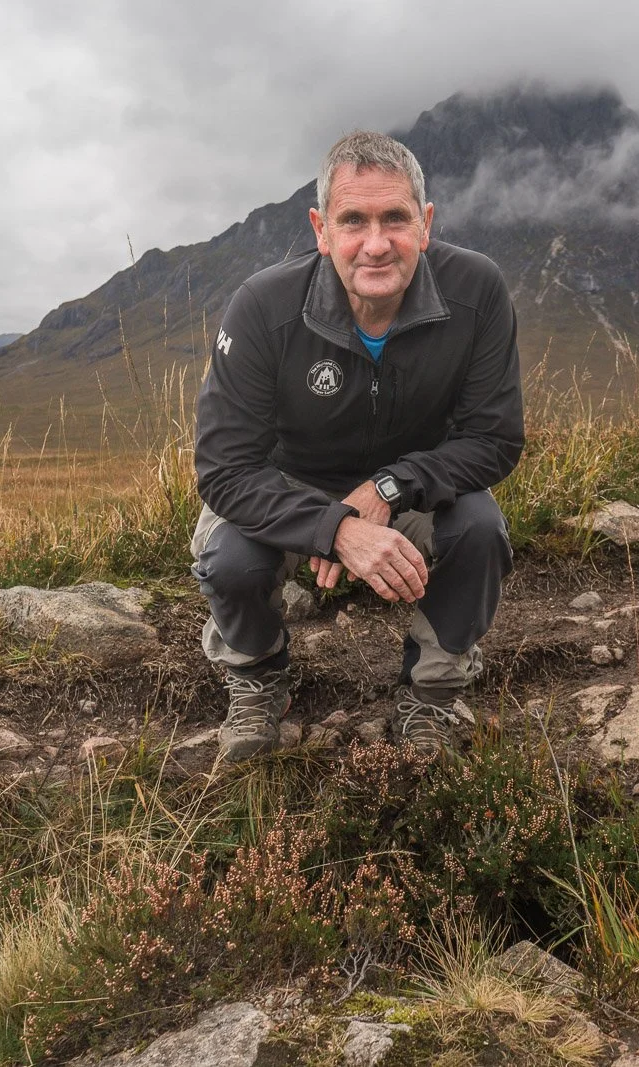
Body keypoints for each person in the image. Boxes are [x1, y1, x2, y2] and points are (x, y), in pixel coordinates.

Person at [190, 130, 524, 762]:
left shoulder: (477, 291)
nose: (376, 243)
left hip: (413, 485)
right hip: (289, 488)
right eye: (354, 221)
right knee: (230, 557)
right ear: (321, 229)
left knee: (479, 529)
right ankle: (258, 677)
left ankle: (433, 692)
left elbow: (494, 439)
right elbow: (225, 470)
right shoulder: (262, 307)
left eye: (395, 218)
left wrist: (389, 488)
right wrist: (335, 527)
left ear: (424, 224)